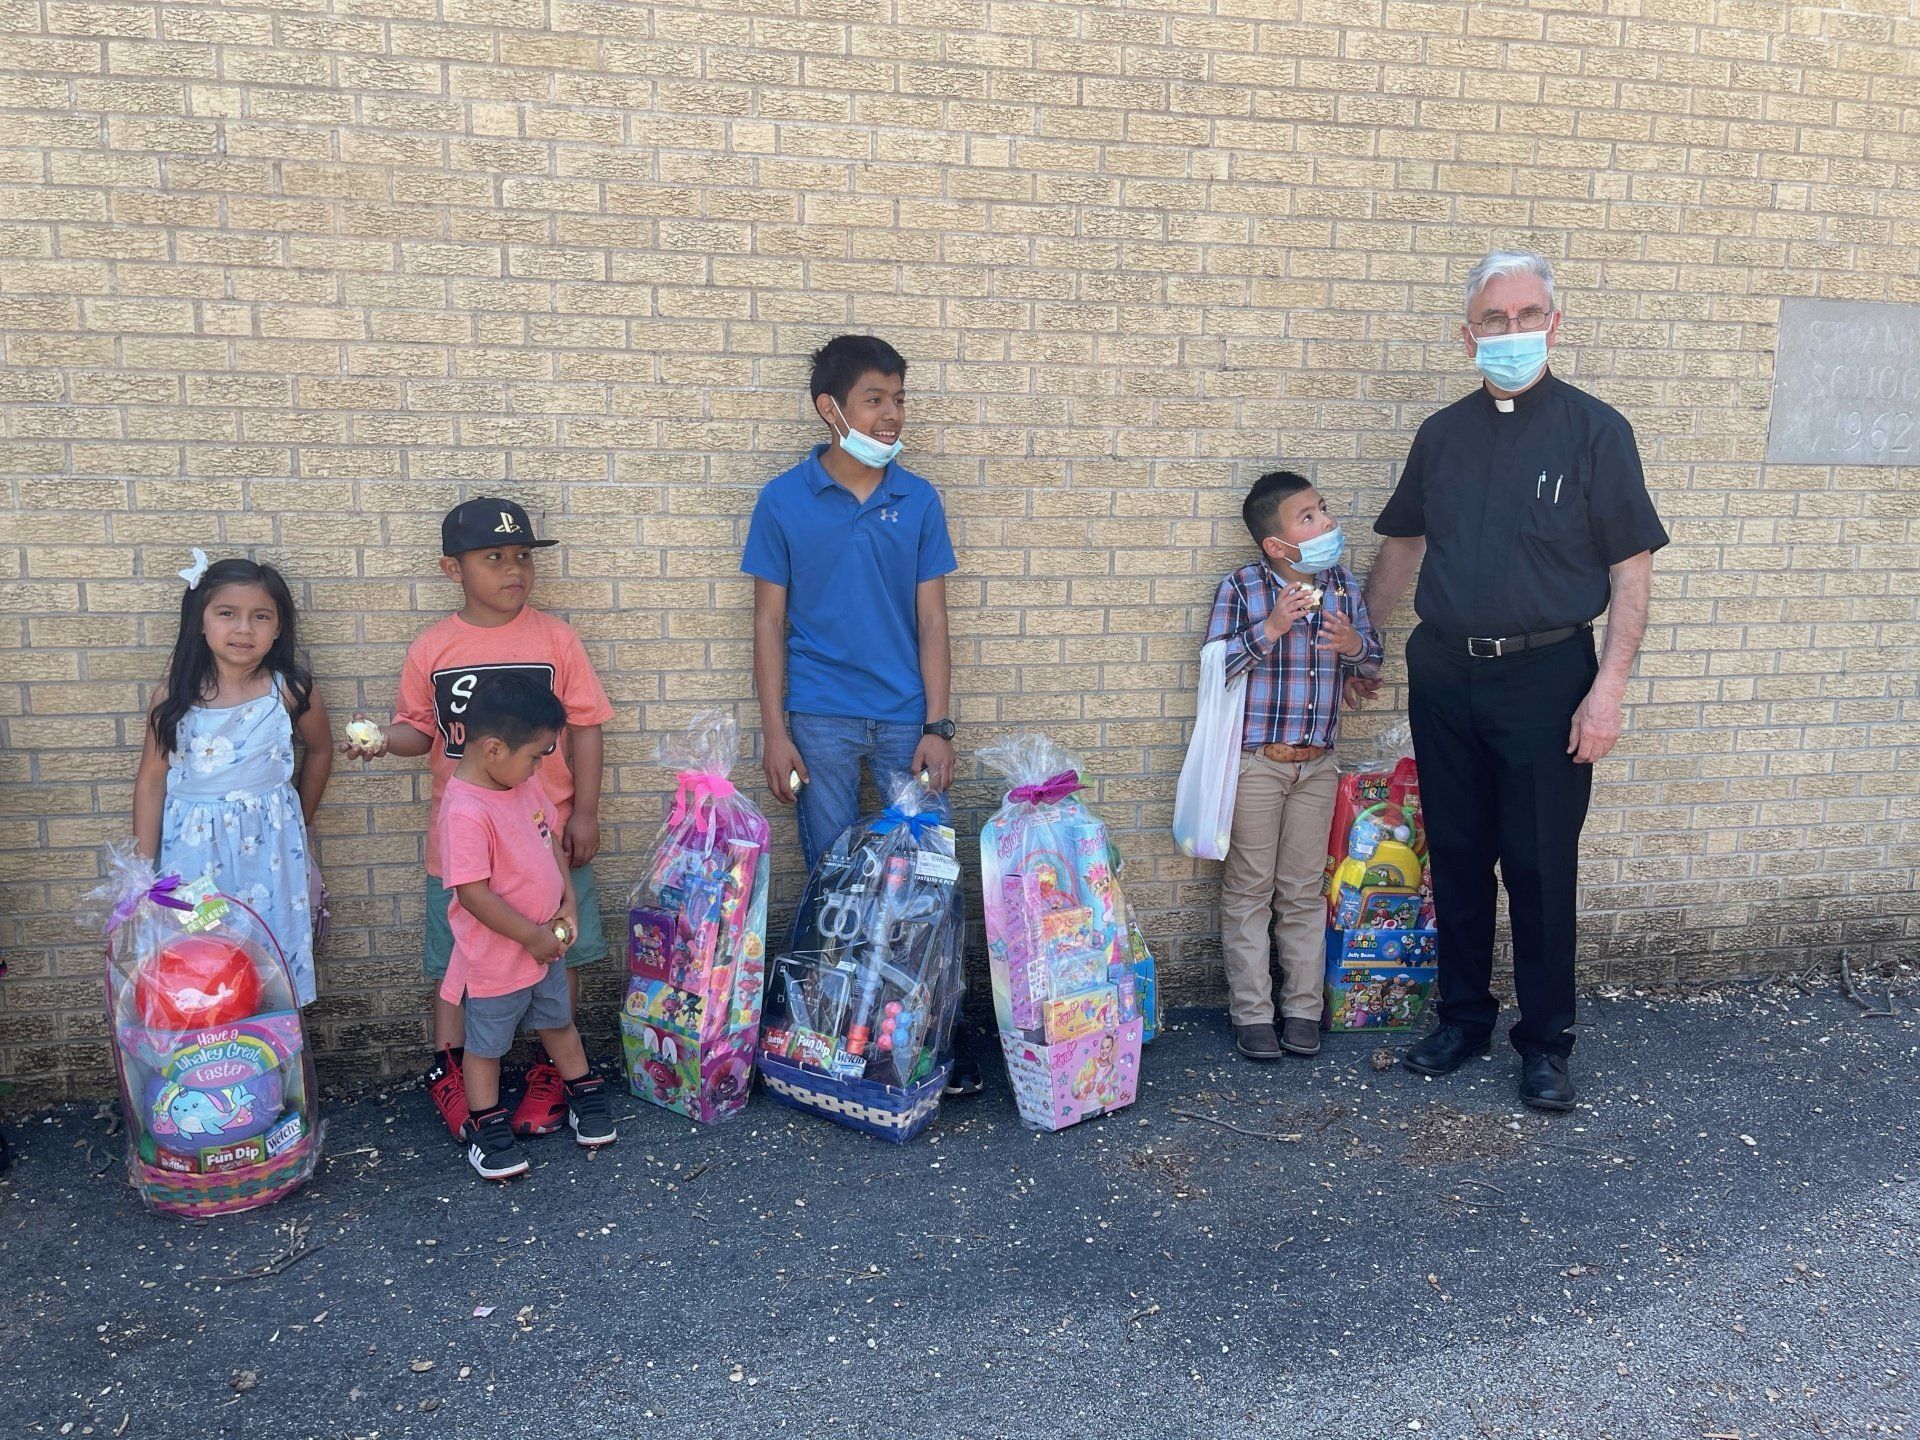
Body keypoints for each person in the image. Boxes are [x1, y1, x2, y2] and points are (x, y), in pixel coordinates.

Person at [1356, 249, 1668, 1111]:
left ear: (1554, 325)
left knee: (1538, 867)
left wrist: (1608, 691)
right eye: (1494, 319)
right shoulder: (1441, 435)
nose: (1512, 331)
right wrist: (1365, 644)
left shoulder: (1596, 431)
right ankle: (1462, 1020)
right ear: (1468, 336)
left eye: (1528, 315)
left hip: (1548, 678)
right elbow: (1403, 545)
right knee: (1457, 858)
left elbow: (1631, 570)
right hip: (1445, 672)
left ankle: (1546, 1043)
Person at [742, 334, 983, 1094]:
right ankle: (837, 1035)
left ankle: (934, 1037)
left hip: (907, 721)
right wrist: (775, 732)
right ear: (831, 409)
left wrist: (938, 725)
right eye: (874, 400)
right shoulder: (783, 500)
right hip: (819, 719)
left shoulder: (918, 499)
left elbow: (933, 621)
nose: (891, 415)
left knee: (926, 883)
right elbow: (768, 624)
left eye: (898, 399)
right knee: (835, 883)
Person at [339, 499, 615, 1138]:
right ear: (452, 568)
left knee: (562, 948)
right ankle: (453, 1072)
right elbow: (419, 731)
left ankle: (553, 1068)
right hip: (466, 845)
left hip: (546, 838)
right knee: (459, 963)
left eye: (522, 556)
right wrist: (381, 741)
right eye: (494, 557)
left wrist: (586, 812)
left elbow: (587, 726)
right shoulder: (434, 647)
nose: (514, 569)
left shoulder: (556, 639)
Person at [1206, 472, 1382, 1062]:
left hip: (1319, 764)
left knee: (1304, 890)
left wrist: (1355, 646)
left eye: (1322, 509)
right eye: (1308, 517)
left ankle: (1303, 1009)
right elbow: (1216, 666)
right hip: (1258, 763)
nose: (1326, 522)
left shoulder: (1342, 585)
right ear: (1276, 544)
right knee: (1249, 889)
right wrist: (1274, 628)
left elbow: (1372, 659)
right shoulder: (1243, 587)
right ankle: (1253, 1014)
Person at [433, 674, 615, 1180]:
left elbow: (547, 839)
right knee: (486, 1045)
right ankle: (488, 1129)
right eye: (535, 755)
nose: (540, 767)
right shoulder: (466, 811)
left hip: (544, 943)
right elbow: (473, 894)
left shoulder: (522, 782)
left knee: (558, 1022)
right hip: (496, 960)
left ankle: (583, 1094)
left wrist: (568, 902)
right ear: (493, 748)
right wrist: (530, 937)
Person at [133, 551, 332, 1005]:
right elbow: (151, 779)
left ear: (278, 628)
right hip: (194, 856)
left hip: (272, 852)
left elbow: (321, 750)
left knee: (270, 950)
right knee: (201, 957)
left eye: (261, 616)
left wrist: (302, 820)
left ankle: (273, 1045)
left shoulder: (290, 690)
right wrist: (142, 871)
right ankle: (208, 1043)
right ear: (200, 621)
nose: (244, 628)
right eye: (227, 613)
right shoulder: (173, 698)